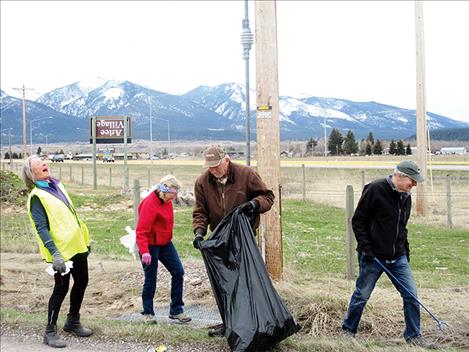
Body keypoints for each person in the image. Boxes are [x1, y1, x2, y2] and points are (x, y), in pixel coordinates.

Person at [342, 160, 437, 349]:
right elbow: (358, 221)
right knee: (362, 295)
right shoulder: (375, 189)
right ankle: (347, 331)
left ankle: (413, 337)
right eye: (412, 180)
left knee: (411, 296)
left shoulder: (405, 196)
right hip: (373, 257)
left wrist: (405, 251)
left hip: (398, 257)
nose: (415, 185)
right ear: (400, 176)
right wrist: (367, 249)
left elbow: (402, 227)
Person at [192, 145, 275, 336]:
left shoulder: (246, 175)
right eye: (209, 166)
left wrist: (254, 205)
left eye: (216, 165)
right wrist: (199, 232)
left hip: (244, 238)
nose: (213, 170)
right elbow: (200, 211)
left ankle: (256, 324)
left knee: (247, 281)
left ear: (226, 160)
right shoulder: (202, 182)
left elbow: (268, 197)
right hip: (220, 240)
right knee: (225, 284)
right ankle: (229, 324)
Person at [22, 155, 92, 348]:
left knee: (82, 281)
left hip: (76, 245)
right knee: (61, 288)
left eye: (44, 162)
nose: (45, 164)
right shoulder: (37, 196)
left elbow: (69, 216)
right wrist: (55, 254)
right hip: (60, 252)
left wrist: (85, 242)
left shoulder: (57, 185)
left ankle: (72, 321)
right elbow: (41, 227)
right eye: (39, 164)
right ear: (31, 173)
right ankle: (50, 331)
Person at [136, 175, 191, 324]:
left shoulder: (167, 201)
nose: (174, 198)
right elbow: (141, 231)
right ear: (165, 191)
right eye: (173, 194)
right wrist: (144, 250)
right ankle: (148, 312)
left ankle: (176, 310)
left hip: (165, 243)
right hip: (150, 244)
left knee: (178, 272)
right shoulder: (149, 204)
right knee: (151, 278)